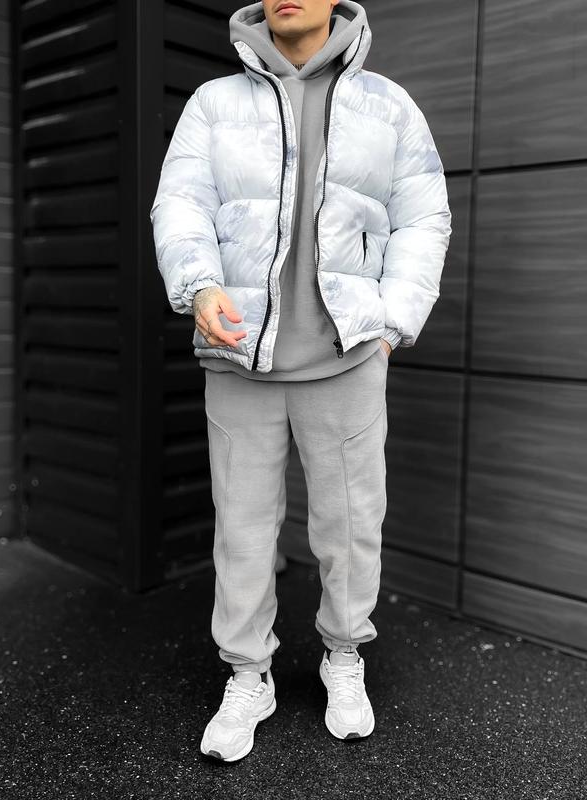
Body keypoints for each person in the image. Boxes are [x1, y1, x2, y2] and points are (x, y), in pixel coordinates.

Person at [150, 0, 451, 763]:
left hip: (347, 355)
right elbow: (182, 203)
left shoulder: (388, 105)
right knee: (242, 529)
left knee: (351, 525)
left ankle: (343, 656)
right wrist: (198, 285)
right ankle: (248, 675)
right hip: (239, 351)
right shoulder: (214, 104)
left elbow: (424, 215)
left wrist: (392, 321)